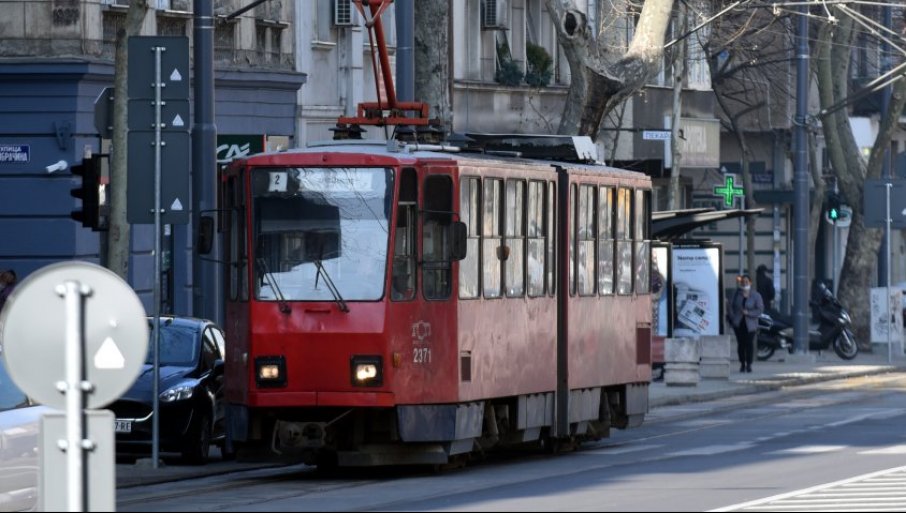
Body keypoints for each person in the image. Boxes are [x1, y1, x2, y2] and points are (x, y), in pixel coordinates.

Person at [728, 274, 764, 373]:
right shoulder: (736, 294)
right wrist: (732, 317)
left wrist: (749, 313)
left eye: (746, 281)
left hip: (751, 324)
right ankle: (742, 363)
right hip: (739, 323)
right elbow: (730, 306)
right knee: (741, 344)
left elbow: (760, 309)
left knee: (749, 344)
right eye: (743, 281)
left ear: (750, 283)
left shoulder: (756, 295)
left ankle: (749, 364)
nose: (744, 283)